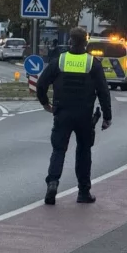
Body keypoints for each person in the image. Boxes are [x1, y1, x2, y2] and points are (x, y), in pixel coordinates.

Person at [36, 27, 112, 205]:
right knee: (84, 151)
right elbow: (103, 91)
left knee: (58, 150)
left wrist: (45, 104)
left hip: (62, 113)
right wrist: (107, 116)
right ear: (86, 42)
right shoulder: (92, 63)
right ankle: (83, 192)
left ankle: (52, 184)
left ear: (70, 41)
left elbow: (41, 84)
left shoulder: (59, 61)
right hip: (85, 116)